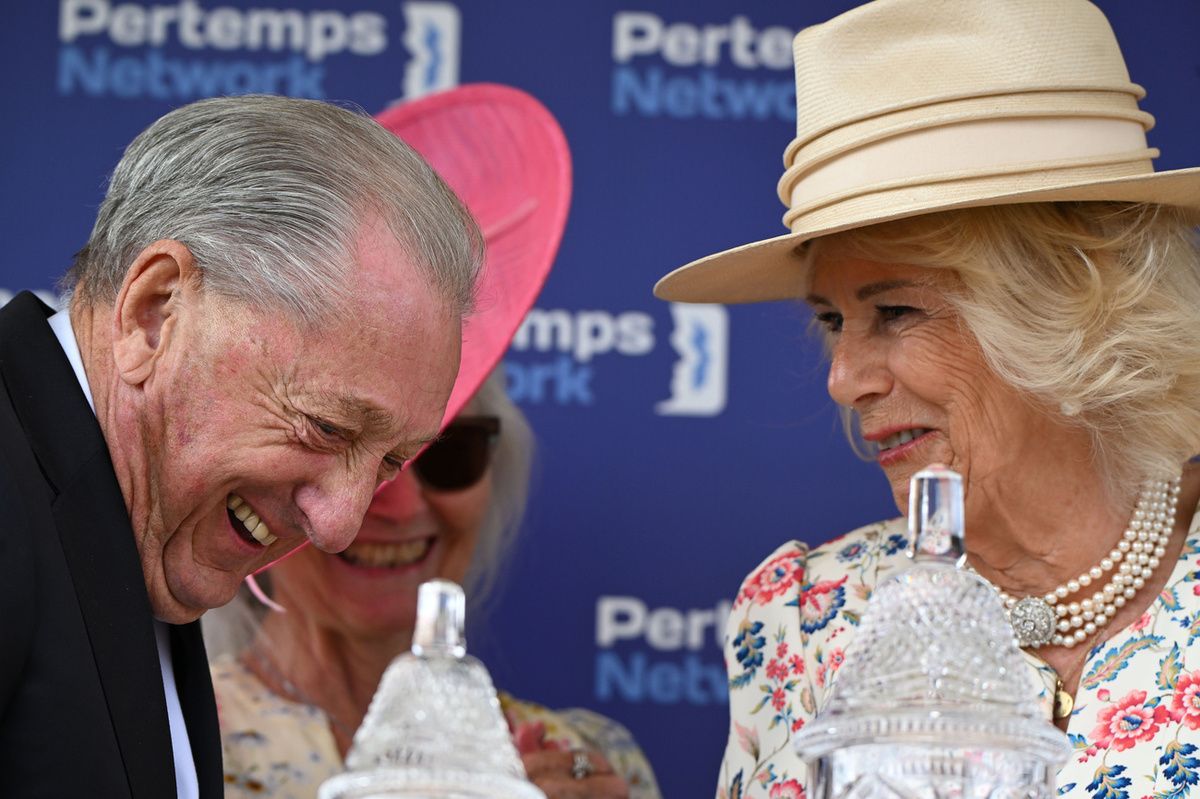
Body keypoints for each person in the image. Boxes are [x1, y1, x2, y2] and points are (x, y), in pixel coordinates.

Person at [653, 0, 1200, 796]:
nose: (845, 378)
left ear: (1071, 306)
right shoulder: (803, 617)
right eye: (832, 320)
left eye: (896, 311)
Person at [0, 93, 481, 798]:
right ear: (154, 312)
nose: (340, 524)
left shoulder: (143, 526)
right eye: (325, 426)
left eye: (389, 460)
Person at [203, 84, 658, 799]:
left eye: (449, 453)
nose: (399, 500)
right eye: (336, 437)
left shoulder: (586, 760)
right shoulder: (164, 746)